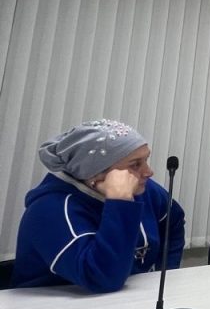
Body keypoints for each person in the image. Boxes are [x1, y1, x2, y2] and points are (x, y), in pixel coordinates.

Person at [11, 118, 184, 293]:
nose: (149, 172)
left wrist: (165, 273)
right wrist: (120, 202)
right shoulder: (50, 209)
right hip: (53, 304)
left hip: (127, 294)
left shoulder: (143, 188)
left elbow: (173, 222)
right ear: (94, 172)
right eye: (135, 164)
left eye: (146, 159)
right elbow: (101, 278)